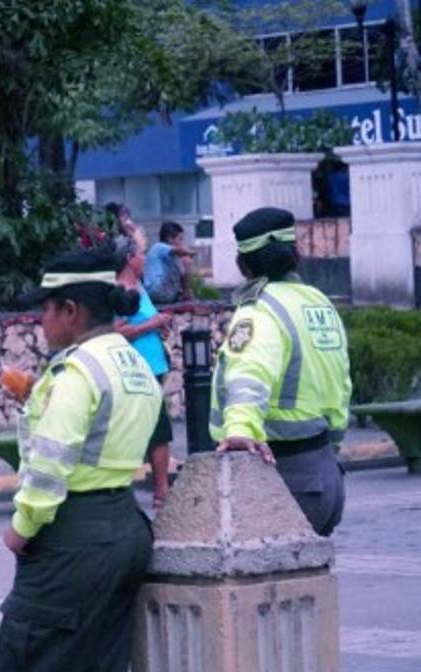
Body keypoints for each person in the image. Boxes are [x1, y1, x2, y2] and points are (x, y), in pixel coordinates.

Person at [0, 247, 159, 672]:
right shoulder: (130, 360)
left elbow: (51, 462)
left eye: (46, 311)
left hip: (73, 532)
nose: (41, 323)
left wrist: (22, 526)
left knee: (14, 671)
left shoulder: (78, 370)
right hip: (125, 524)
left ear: (69, 311)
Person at [209, 206, 352, 537]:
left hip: (283, 476)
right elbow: (341, 383)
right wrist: (333, 450)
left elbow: (249, 373)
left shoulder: (260, 311)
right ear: (296, 256)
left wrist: (240, 429)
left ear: (243, 265)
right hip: (325, 473)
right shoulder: (318, 302)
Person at [113, 236, 173, 509]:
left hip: (155, 366)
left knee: (159, 431)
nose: (145, 259)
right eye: (141, 254)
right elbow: (119, 332)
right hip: (137, 371)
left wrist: (160, 325)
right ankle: (160, 491)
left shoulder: (140, 287)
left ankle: (162, 490)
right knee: (154, 429)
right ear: (129, 258)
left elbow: (148, 319)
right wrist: (152, 324)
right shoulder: (119, 292)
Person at [143, 221, 194, 305]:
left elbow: (185, 287)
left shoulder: (174, 260)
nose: (182, 243)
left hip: (168, 295)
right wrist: (189, 253)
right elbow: (179, 251)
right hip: (156, 291)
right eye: (180, 239)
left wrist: (187, 268)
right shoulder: (158, 247)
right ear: (170, 239)